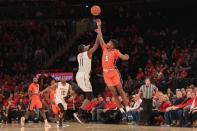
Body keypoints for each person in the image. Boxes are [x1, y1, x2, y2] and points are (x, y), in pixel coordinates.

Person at [95, 19, 130, 122]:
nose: (108, 43)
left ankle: (128, 110)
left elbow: (123, 57)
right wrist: (99, 26)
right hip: (106, 74)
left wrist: (127, 56)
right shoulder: (105, 48)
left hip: (113, 72)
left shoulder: (115, 51)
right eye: (108, 42)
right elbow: (100, 38)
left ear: (113, 45)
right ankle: (122, 112)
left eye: (110, 42)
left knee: (120, 90)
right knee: (114, 94)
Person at [74, 33, 99, 123]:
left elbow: (84, 49)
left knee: (89, 96)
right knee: (89, 96)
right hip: (84, 76)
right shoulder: (88, 53)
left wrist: (86, 47)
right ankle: (79, 113)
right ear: (84, 49)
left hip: (79, 75)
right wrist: (98, 35)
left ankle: (82, 114)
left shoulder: (79, 55)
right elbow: (96, 45)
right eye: (85, 46)